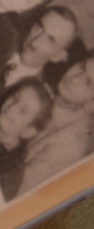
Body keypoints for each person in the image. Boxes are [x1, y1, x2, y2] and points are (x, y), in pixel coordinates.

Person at [0, 6, 78, 107]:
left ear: (58, 56)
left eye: (50, 40)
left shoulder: (35, 98)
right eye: (39, 27)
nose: (35, 41)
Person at [19, 54, 94, 195]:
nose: (74, 78)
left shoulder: (67, 146)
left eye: (88, 82)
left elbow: (15, 192)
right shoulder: (52, 88)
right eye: (82, 66)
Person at [0, 78, 54, 201]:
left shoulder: (11, 169)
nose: (12, 106)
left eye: (23, 111)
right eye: (15, 97)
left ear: (28, 131)